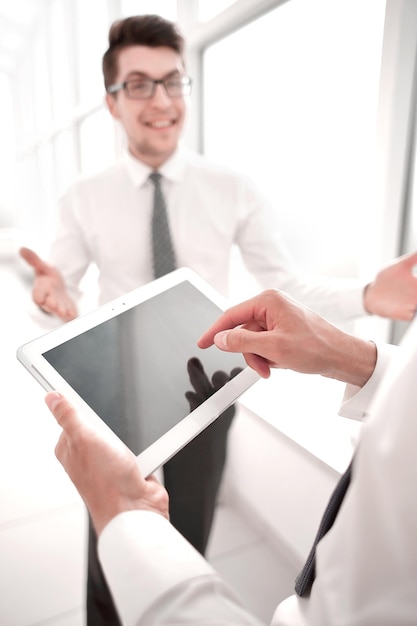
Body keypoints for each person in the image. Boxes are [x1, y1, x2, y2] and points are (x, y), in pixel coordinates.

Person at [19, 13, 417, 625]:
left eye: (173, 81)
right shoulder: (84, 195)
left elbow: (281, 286)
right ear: (111, 101)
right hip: (114, 392)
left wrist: (369, 296)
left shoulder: (231, 187)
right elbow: (61, 283)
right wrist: (48, 289)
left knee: (185, 532)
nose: (161, 100)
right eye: (140, 84)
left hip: (204, 385)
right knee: (110, 541)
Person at [44, 279, 417, 625]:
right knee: (107, 548)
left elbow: (279, 277)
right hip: (120, 378)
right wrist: (351, 355)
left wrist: (126, 515)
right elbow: (62, 279)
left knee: (184, 522)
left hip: (207, 380)